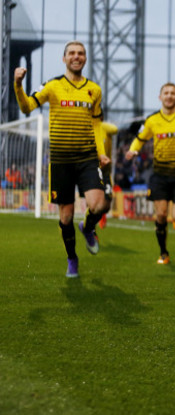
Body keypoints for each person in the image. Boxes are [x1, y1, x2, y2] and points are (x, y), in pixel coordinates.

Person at [14, 40, 110, 278]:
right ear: (64, 58)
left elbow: (97, 123)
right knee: (65, 217)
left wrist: (101, 151)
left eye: (81, 53)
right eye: (72, 53)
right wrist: (18, 84)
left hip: (87, 157)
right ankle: (72, 258)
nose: (76, 57)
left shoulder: (94, 90)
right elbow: (27, 107)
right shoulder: (52, 85)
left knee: (101, 204)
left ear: (85, 58)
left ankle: (87, 227)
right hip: (60, 160)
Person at [125, 83, 175, 264]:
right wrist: (133, 150)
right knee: (161, 215)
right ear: (160, 97)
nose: (169, 96)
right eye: (166, 93)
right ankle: (164, 253)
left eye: (173, 93)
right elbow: (139, 139)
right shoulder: (152, 120)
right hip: (159, 174)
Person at [98, 121, 119, 229]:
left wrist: (101, 124)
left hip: (106, 171)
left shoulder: (104, 128)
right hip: (93, 171)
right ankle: (91, 230)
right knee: (93, 202)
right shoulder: (87, 129)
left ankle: (102, 217)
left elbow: (115, 129)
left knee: (107, 202)